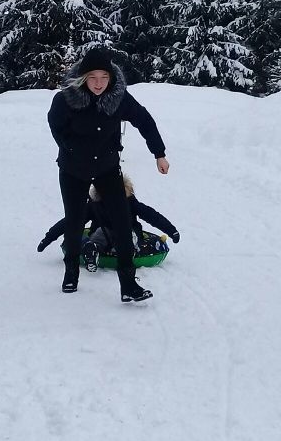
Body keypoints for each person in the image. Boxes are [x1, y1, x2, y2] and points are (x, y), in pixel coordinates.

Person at [47, 48, 170, 301]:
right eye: (93, 77)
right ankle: (71, 272)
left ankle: (128, 284)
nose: (99, 83)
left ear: (111, 77)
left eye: (104, 77)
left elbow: (144, 120)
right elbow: (54, 124)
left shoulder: (119, 98)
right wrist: (69, 147)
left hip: (106, 168)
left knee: (123, 222)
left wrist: (159, 153)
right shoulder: (66, 99)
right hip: (73, 169)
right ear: (83, 77)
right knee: (75, 220)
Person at [38, 173, 180, 266]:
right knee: (101, 234)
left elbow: (152, 216)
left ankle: (123, 247)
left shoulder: (130, 203)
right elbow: (71, 221)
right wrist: (49, 237)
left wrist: (171, 230)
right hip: (104, 233)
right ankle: (92, 249)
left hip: (126, 232)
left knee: (125, 234)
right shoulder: (94, 206)